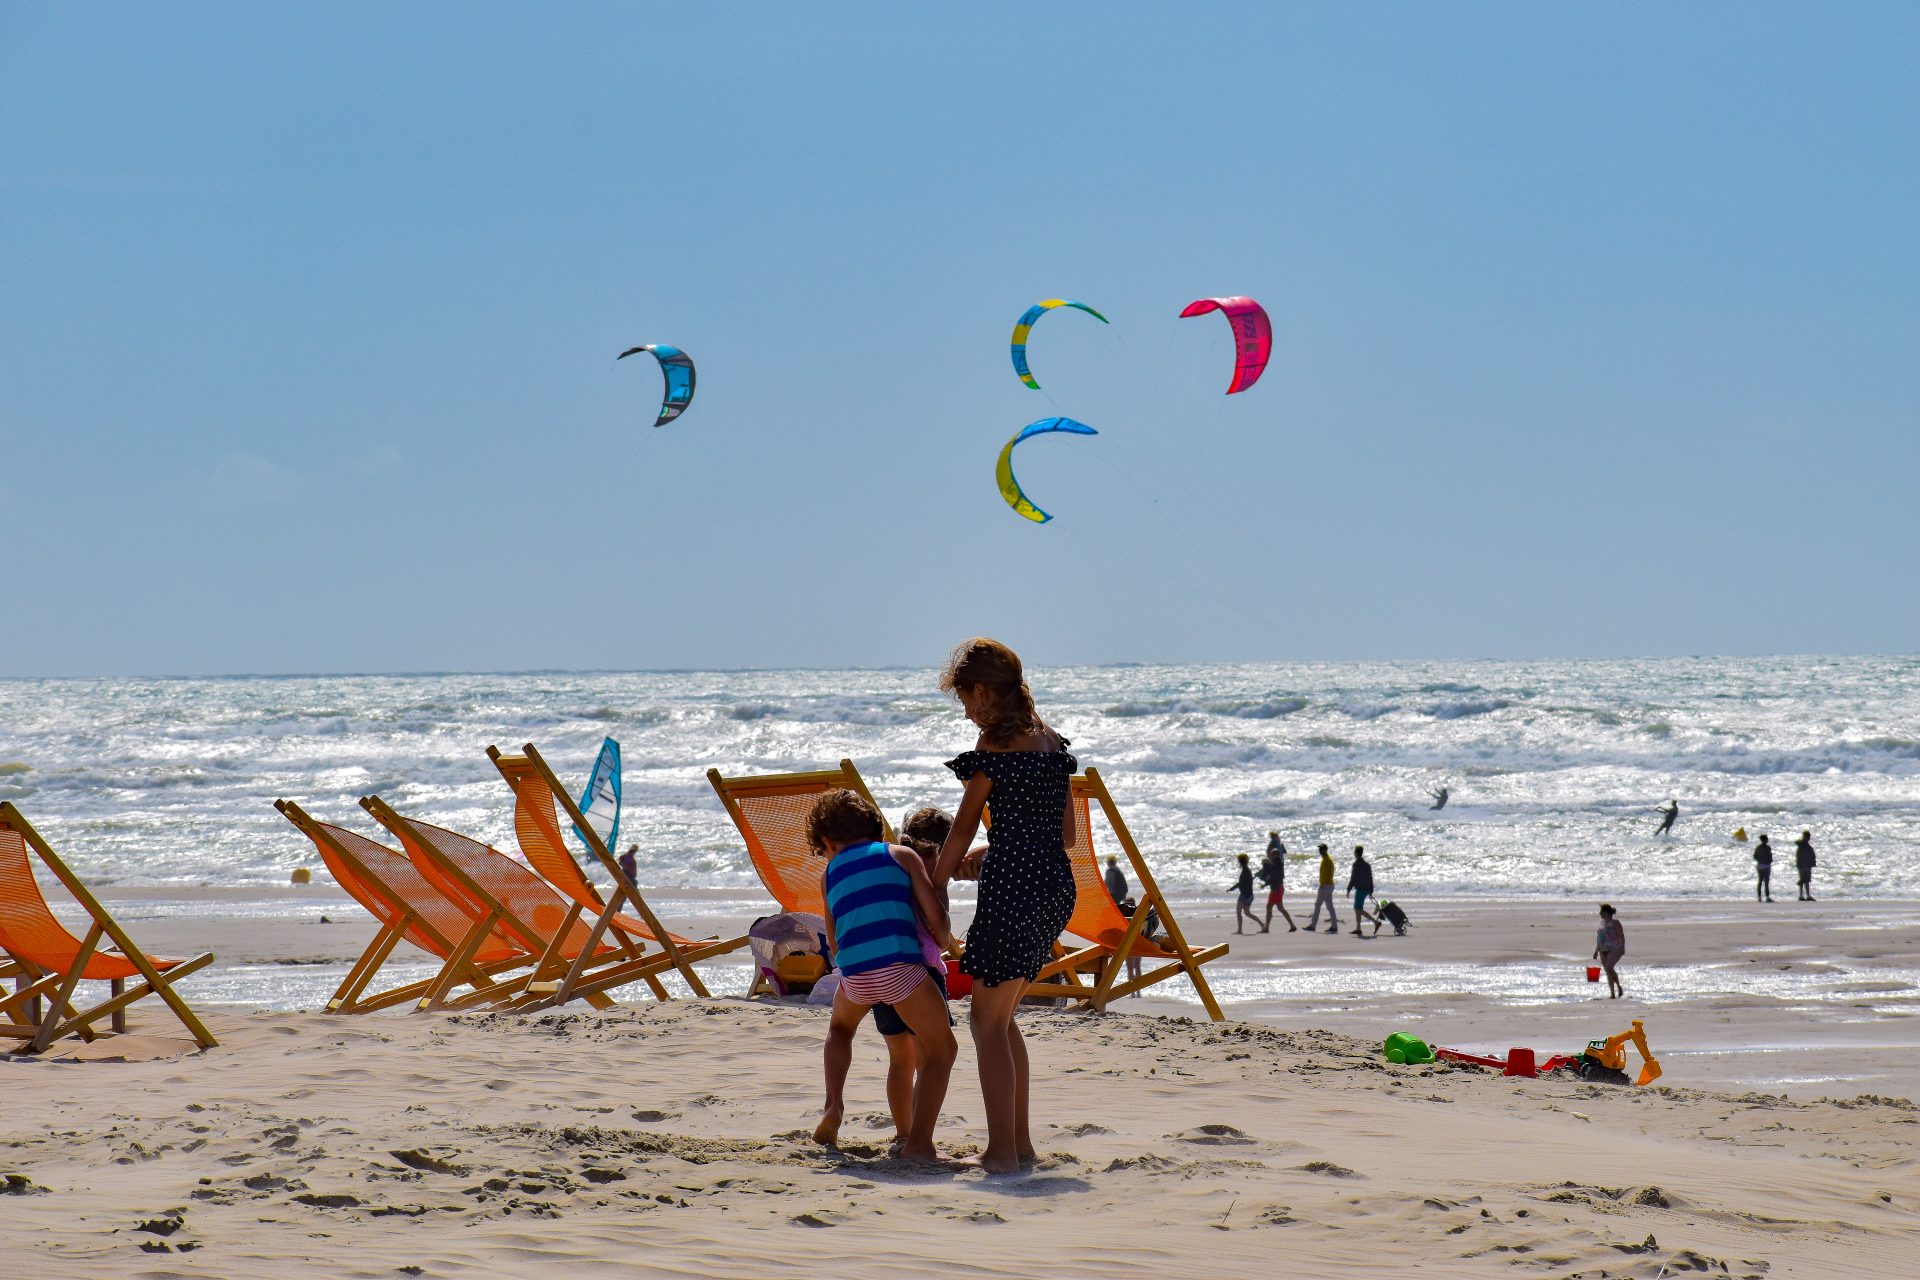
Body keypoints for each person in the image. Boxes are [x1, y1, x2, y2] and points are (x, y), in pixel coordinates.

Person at [933, 637, 1078, 1175]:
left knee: (986, 1024)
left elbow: (961, 829)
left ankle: (1000, 1154)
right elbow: (1061, 835)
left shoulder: (994, 750)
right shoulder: (1052, 745)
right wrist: (1000, 846)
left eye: (967, 701)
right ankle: (1018, 1146)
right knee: (1002, 1017)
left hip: (1013, 889)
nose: (968, 712)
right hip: (1054, 887)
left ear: (982, 692)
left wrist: (934, 886)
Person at [810, 789, 957, 1161]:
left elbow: (833, 938)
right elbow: (935, 918)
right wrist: (947, 942)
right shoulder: (901, 855)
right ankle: (918, 1144)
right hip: (899, 969)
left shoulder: (829, 872)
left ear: (827, 841)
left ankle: (833, 1104)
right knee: (941, 1051)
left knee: (840, 1031)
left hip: (856, 975)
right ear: (875, 827)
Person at [1258, 842, 1296, 932]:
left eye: (1272, 854)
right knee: (1280, 908)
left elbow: (1273, 877)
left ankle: (1266, 928)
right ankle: (1292, 925)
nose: (1270, 856)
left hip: (1276, 889)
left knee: (1269, 907)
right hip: (1279, 888)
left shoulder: (1276, 865)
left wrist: (1265, 884)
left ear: (1276, 855)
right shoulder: (1278, 864)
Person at [1304, 843, 1339, 933]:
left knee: (1317, 905)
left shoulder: (1327, 860)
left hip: (1326, 885)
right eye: (1320, 849)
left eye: (1321, 849)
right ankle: (1334, 926)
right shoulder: (1327, 860)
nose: (1320, 851)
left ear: (1325, 850)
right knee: (1330, 906)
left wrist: (1322, 884)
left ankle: (1313, 925)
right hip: (1329, 885)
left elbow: (1327, 874)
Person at [1593, 904, 1625, 998]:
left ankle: (1619, 987)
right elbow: (1599, 938)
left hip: (1614, 948)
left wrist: (1620, 948)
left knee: (1609, 968)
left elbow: (1621, 936)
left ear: (1606, 912)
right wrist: (1595, 951)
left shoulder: (1615, 923)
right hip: (1602, 949)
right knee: (1608, 971)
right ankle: (1612, 994)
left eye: (1601, 912)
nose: (1600, 914)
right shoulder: (1601, 923)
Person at [1345, 845, 1378, 938]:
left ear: (1355, 853)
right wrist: (1371, 891)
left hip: (1360, 889)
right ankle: (1358, 928)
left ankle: (1375, 922)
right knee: (1358, 908)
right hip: (1366, 889)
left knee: (1357, 909)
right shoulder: (1367, 865)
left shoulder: (1356, 865)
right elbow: (1370, 878)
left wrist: (1348, 889)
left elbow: (1353, 878)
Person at [1231, 853, 1260, 934]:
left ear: (1240, 862)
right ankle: (1262, 924)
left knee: (1239, 912)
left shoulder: (1246, 871)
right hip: (1249, 894)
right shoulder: (1247, 870)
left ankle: (1239, 930)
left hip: (1245, 895)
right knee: (1247, 913)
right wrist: (1232, 888)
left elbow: (1242, 883)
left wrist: (1233, 888)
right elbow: (1244, 883)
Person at [1795, 831, 1817, 901]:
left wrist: (1812, 863)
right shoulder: (1803, 846)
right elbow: (1800, 856)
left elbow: (1812, 856)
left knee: (1806, 880)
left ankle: (1806, 895)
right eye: (1808, 837)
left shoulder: (1805, 846)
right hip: (1803, 865)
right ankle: (1802, 895)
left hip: (1806, 865)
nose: (1809, 838)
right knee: (1803, 880)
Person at [1753, 833, 1774, 902]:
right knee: (1766, 882)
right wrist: (1769, 861)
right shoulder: (1767, 848)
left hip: (1760, 865)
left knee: (1760, 881)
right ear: (1765, 840)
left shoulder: (1758, 847)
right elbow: (1770, 857)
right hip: (1766, 866)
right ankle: (1767, 897)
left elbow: (1755, 856)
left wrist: (1760, 860)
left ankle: (1759, 897)